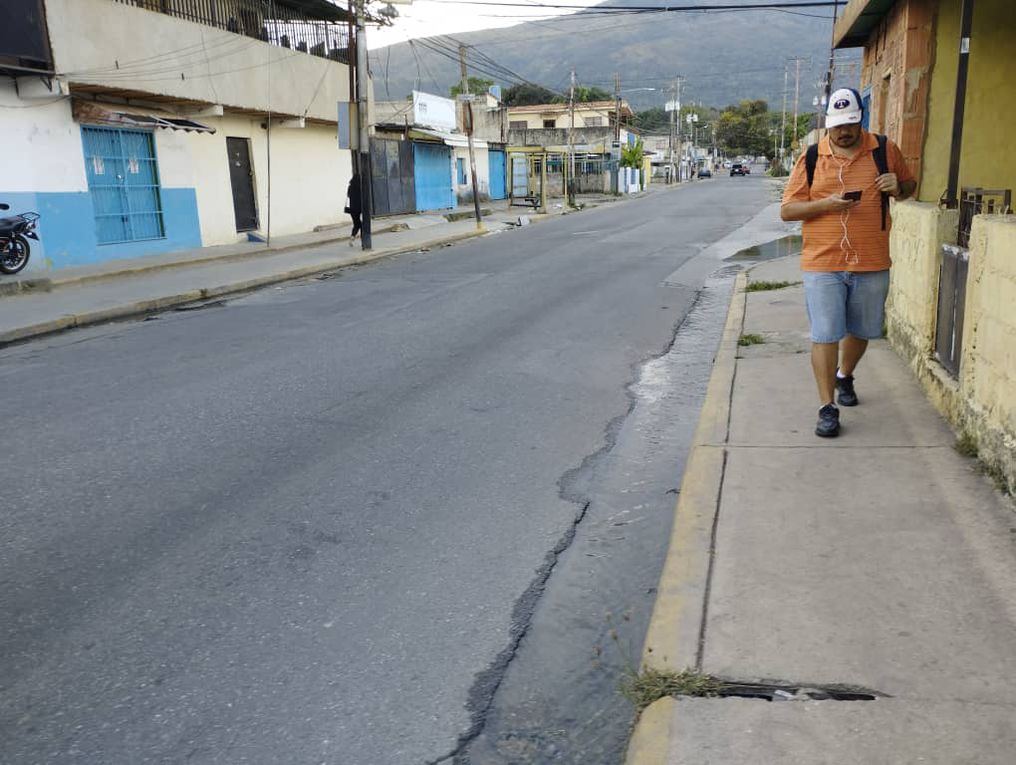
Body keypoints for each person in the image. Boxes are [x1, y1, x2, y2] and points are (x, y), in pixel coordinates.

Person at [780, 88, 916, 438]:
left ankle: (845, 375)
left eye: (850, 124)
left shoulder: (885, 149)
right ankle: (827, 407)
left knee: (862, 329)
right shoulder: (811, 157)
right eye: (837, 126)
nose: (844, 132)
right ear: (828, 124)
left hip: (871, 260)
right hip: (822, 262)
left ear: (860, 120)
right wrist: (826, 204)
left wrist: (897, 186)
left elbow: (911, 186)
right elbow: (788, 210)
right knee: (825, 332)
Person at [345, 173, 362, 246]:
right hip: (359, 208)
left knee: (356, 224)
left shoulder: (350, 187)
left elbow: (348, 195)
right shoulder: (360, 187)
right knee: (361, 225)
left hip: (352, 209)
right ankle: (364, 240)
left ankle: (352, 237)